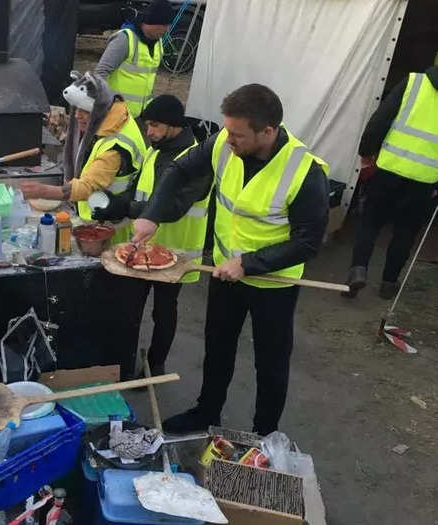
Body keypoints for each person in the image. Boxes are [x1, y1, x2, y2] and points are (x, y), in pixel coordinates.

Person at [132, 84, 330, 435]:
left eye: (237, 133)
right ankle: (207, 413)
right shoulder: (224, 143)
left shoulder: (304, 171)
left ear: (267, 131)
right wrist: (153, 214)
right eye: (227, 130)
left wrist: (248, 264)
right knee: (217, 347)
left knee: (271, 362)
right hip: (224, 274)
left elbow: (308, 242)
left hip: (273, 282)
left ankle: (264, 434)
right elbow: (178, 171)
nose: (228, 139)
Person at [92, 95, 207, 376]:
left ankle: (156, 365)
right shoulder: (155, 150)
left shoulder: (197, 161)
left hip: (175, 253)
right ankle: (124, 363)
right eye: (147, 125)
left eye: (155, 126)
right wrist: (115, 205)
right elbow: (139, 188)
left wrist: (126, 206)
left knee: (164, 312)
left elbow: (174, 207)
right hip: (139, 247)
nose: (149, 132)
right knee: (130, 308)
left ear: (174, 125)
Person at [343, 65, 438, 299]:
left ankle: (357, 271)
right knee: (405, 231)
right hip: (425, 180)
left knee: (370, 223)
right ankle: (388, 283)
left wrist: (366, 153)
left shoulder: (413, 83)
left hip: (388, 169)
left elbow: (381, 118)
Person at [20, 72, 147, 245]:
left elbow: (88, 187)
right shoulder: (114, 115)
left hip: (107, 226)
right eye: (76, 109)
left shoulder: (114, 148)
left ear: (99, 111)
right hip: (100, 216)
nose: (77, 116)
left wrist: (43, 191)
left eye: (84, 111)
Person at [94, 0, 172, 118]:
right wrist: (107, 106)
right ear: (154, 23)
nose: (167, 30)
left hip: (139, 116)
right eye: (165, 25)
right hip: (115, 115)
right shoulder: (124, 39)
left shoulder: (158, 43)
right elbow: (100, 73)